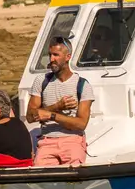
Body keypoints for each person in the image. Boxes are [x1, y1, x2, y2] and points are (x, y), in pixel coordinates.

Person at [28, 38, 94, 167]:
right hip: (47, 141)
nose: (51, 59)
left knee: (75, 181)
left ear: (68, 57)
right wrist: (57, 106)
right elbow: (30, 116)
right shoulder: (41, 81)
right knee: (40, 180)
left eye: (56, 55)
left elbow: (81, 124)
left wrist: (52, 115)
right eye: (50, 54)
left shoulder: (82, 85)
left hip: (73, 141)